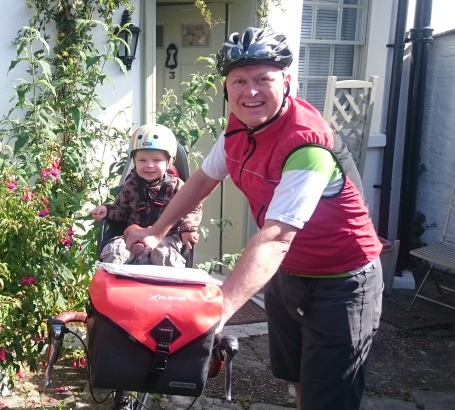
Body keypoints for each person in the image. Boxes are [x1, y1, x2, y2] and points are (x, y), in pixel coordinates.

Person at [125, 27, 384, 410]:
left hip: (342, 281)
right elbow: (202, 180)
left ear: (287, 81)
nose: (251, 91)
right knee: (297, 380)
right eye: (240, 81)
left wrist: (219, 309)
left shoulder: (306, 142)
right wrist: (155, 230)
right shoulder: (238, 128)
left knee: (329, 400)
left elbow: (277, 236)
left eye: (264, 79)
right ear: (226, 88)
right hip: (287, 275)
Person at [91, 124, 201, 267]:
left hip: (166, 238)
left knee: (163, 256)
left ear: (170, 162)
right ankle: (117, 286)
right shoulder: (130, 185)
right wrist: (107, 211)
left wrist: (188, 228)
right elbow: (121, 211)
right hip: (133, 237)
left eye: (157, 160)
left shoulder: (177, 186)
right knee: (114, 251)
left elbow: (192, 208)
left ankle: (164, 288)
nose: (149, 165)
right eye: (142, 160)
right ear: (134, 162)